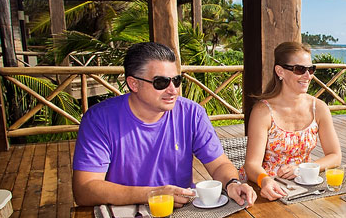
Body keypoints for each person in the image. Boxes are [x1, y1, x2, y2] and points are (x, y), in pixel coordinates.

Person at [72, 42, 256, 208]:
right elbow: (84, 189)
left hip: (180, 212)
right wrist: (152, 194)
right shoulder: (99, 120)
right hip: (122, 213)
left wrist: (232, 183)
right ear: (133, 84)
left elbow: (219, 165)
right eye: (161, 82)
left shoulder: (191, 113)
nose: (173, 90)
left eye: (176, 80)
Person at [243, 41, 342, 200]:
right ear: (280, 71)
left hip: (303, 188)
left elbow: (335, 156)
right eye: (299, 69)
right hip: (264, 188)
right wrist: (265, 180)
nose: (307, 75)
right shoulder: (263, 112)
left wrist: (303, 168)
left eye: (311, 69)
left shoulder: (319, 108)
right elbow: (251, 165)